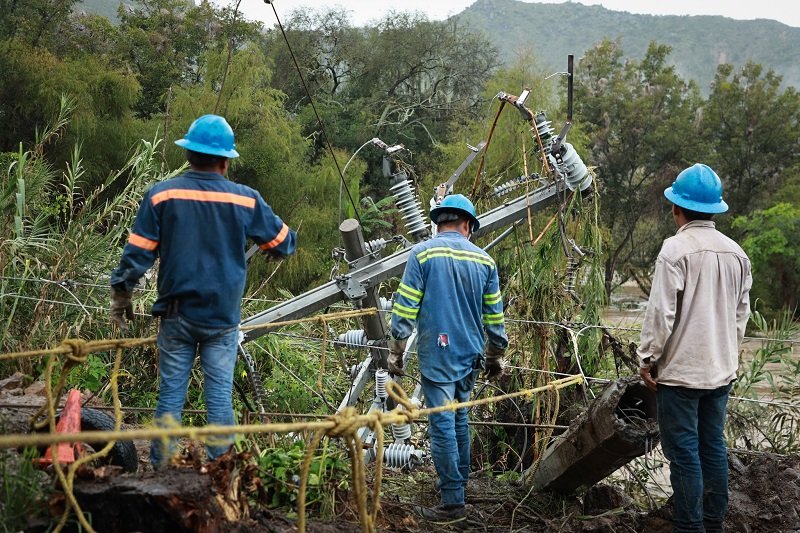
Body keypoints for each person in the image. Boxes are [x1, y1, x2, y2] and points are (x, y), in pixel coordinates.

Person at [110, 114, 296, 468]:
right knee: (219, 401)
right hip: (222, 319)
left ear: (189, 154)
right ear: (226, 160)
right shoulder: (246, 200)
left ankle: (161, 472)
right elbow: (284, 243)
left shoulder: (162, 194)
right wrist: (270, 246)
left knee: (170, 398)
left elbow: (138, 252)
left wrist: (122, 293)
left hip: (177, 315)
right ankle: (221, 475)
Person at [638, 163, 751, 533]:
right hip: (720, 373)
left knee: (684, 453)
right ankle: (713, 523)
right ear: (715, 209)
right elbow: (740, 317)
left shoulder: (675, 250)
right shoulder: (737, 254)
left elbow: (661, 315)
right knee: (713, 446)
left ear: (676, 208)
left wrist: (647, 360)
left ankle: (689, 527)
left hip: (681, 376)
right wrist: (728, 358)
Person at [388, 193, 509, 522]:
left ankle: (453, 503)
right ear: (468, 225)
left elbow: (404, 308)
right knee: (459, 420)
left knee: (442, 423)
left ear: (439, 222)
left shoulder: (422, 254)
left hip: (437, 353)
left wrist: (396, 352)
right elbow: (495, 320)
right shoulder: (485, 262)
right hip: (470, 355)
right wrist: (495, 356)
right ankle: (459, 486)